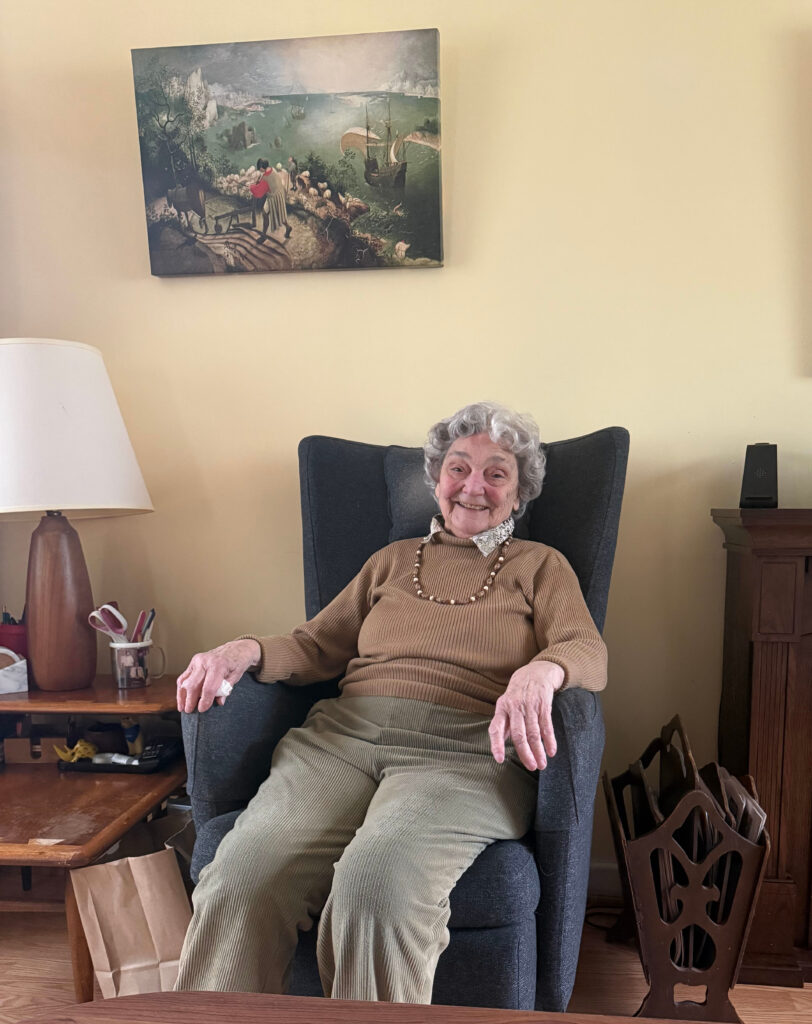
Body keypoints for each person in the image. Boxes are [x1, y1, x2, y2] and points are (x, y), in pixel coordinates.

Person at [174, 401, 607, 1003]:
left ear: (520, 493)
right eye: (458, 468)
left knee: (375, 885)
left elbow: (586, 648)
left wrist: (543, 670)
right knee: (239, 880)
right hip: (339, 744)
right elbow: (316, 644)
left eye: (496, 473)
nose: (473, 486)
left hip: (465, 755)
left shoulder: (540, 567)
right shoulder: (390, 563)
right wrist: (243, 649)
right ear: (435, 480)